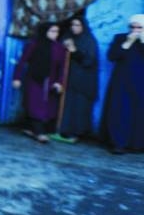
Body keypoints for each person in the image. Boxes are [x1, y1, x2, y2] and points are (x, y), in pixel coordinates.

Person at [13, 21, 65, 143]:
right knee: (34, 104)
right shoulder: (33, 44)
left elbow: (61, 67)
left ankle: (33, 129)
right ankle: (39, 132)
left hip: (50, 81)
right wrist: (16, 78)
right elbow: (22, 61)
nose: (55, 34)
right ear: (45, 32)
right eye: (52, 31)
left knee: (47, 106)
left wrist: (59, 82)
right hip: (34, 79)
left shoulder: (58, 48)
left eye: (57, 31)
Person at [101, 14, 144, 154]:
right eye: (132, 27)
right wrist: (127, 43)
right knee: (120, 111)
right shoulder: (120, 38)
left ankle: (136, 144)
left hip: (141, 83)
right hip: (122, 82)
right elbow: (111, 56)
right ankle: (118, 143)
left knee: (139, 113)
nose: (135, 30)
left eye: (139, 27)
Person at [55, 15, 99, 143]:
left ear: (83, 26)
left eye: (77, 25)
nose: (74, 28)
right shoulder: (68, 37)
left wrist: (74, 50)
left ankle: (76, 133)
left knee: (78, 106)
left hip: (83, 81)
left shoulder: (89, 41)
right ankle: (63, 130)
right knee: (67, 104)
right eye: (72, 25)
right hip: (68, 78)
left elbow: (88, 61)